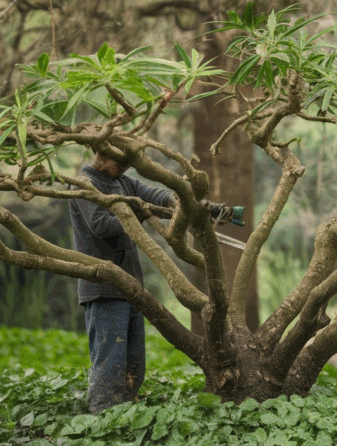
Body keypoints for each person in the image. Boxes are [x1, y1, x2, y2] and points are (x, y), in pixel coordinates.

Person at [69, 150, 231, 413]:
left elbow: (155, 196)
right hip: (104, 287)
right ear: (100, 154)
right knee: (109, 363)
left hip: (131, 287)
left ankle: (126, 413)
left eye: (126, 163)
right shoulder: (85, 184)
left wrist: (191, 206)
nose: (123, 167)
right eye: (119, 162)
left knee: (134, 364)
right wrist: (138, 212)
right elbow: (101, 225)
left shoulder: (124, 181)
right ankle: (102, 417)